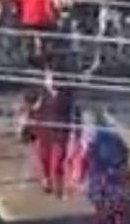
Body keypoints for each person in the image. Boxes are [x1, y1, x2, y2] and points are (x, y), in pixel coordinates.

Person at [30, 65, 76, 196]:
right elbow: (33, 109)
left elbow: (71, 111)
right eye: (49, 78)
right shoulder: (41, 93)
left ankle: (58, 184)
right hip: (44, 130)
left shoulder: (67, 94)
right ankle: (46, 180)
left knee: (60, 158)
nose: (52, 81)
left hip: (61, 130)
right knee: (44, 156)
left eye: (54, 78)